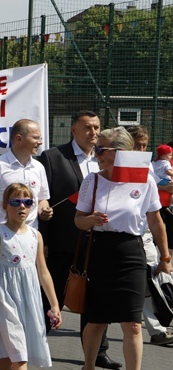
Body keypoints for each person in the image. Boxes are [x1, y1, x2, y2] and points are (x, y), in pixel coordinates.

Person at [75, 127, 172, 370]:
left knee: (133, 323)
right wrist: (91, 220)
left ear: (119, 153)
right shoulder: (93, 180)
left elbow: (155, 220)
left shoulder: (145, 180)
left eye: (101, 150)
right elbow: (78, 220)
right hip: (100, 252)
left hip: (131, 252)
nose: (96, 155)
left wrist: (165, 256)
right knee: (97, 320)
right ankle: (88, 365)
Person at [37, 111, 121, 369]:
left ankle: (97, 353)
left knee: (96, 299)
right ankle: (33, 343)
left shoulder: (107, 159)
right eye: (87, 127)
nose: (93, 132)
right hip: (63, 242)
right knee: (50, 297)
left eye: (96, 127)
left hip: (99, 243)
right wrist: (45, 240)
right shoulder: (53, 157)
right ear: (73, 129)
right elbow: (44, 199)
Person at [0, 183, 62, 370]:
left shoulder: (36, 236)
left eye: (27, 202)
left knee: (6, 358)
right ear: (5, 205)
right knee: (19, 357)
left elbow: (43, 272)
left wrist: (55, 304)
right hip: (4, 301)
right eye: (16, 202)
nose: (21, 207)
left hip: (28, 301)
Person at [0, 119, 52, 258]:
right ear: (19, 138)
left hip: (31, 234)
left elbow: (42, 199)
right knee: (1, 277)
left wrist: (44, 209)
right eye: (35, 137)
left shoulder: (38, 167)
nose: (40, 142)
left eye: (40, 138)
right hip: (1, 235)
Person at [126, 126, 173, 346]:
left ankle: (159, 328)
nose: (141, 150)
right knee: (146, 281)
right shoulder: (112, 170)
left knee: (156, 277)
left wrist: (165, 256)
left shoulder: (149, 171)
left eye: (145, 145)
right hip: (122, 235)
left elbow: (156, 216)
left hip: (145, 233)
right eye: (137, 145)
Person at [152, 144, 173, 214]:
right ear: (163, 156)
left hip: (157, 181)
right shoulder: (166, 163)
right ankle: (171, 205)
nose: (171, 157)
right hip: (165, 180)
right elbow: (168, 171)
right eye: (170, 155)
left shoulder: (153, 162)